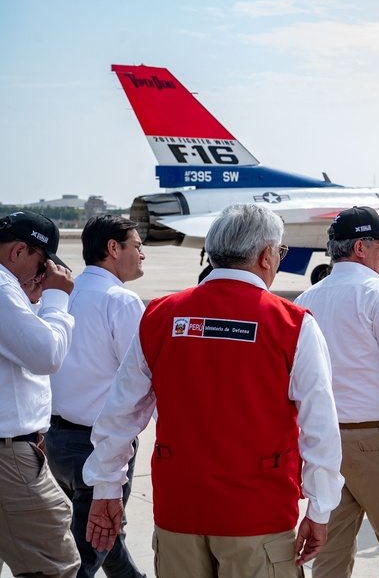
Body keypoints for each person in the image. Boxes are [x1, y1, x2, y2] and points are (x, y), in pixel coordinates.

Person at [84, 203, 343, 576]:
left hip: (179, 512)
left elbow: (120, 413)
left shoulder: (160, 315)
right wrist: (320, 509)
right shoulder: (292, 324)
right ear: (267, 255)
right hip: (258, 516)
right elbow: (320, 426)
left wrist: (107, 488)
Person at [295, 206, 379, 577]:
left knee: (330, 551)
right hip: (378, 439)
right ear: (360, 248)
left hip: (323, 441)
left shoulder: (305, 300)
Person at [48, 215, 148, 578]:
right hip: (98, 447)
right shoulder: (121, 301)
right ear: (113, 249)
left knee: (106, 535)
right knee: (89, 551)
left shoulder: (62, 294)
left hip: (55, 441)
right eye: (137, 246)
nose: (142, 255)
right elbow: (141, 379)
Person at [0, 211, 79, 578]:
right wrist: (56, 300)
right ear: (18, 251)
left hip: (11, 451)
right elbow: (47, 355)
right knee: (55, 566)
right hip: (9, 458)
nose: (43, 275)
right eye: (42, 264)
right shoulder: (2, 288)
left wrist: (30, 298)